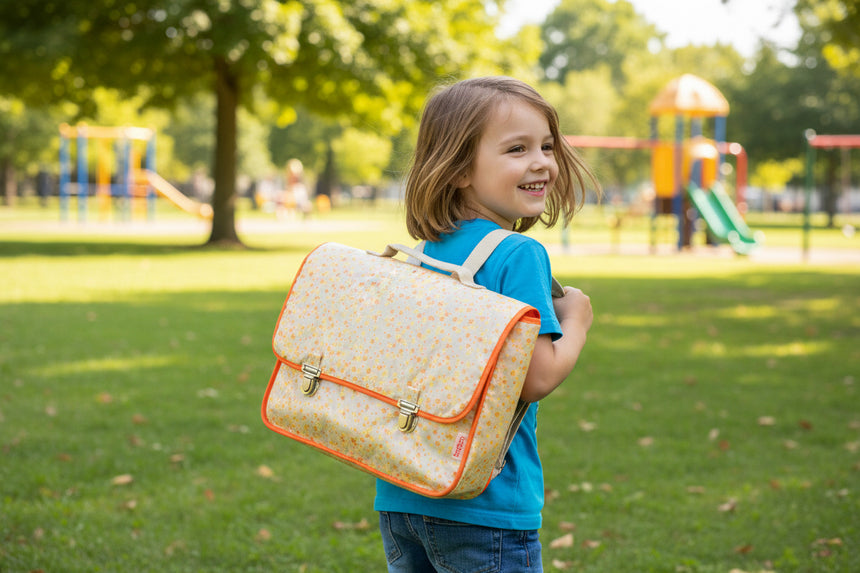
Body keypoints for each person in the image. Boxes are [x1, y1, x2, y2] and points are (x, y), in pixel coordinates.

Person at [375, 76, 601, 572]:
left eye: (546, 145)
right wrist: (577, 321)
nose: (540, 161)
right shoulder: (518, 255)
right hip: (486, 504)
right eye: (516, 149)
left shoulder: (430, 252)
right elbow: (536, 376)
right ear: (458, 168)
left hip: (403, 492)